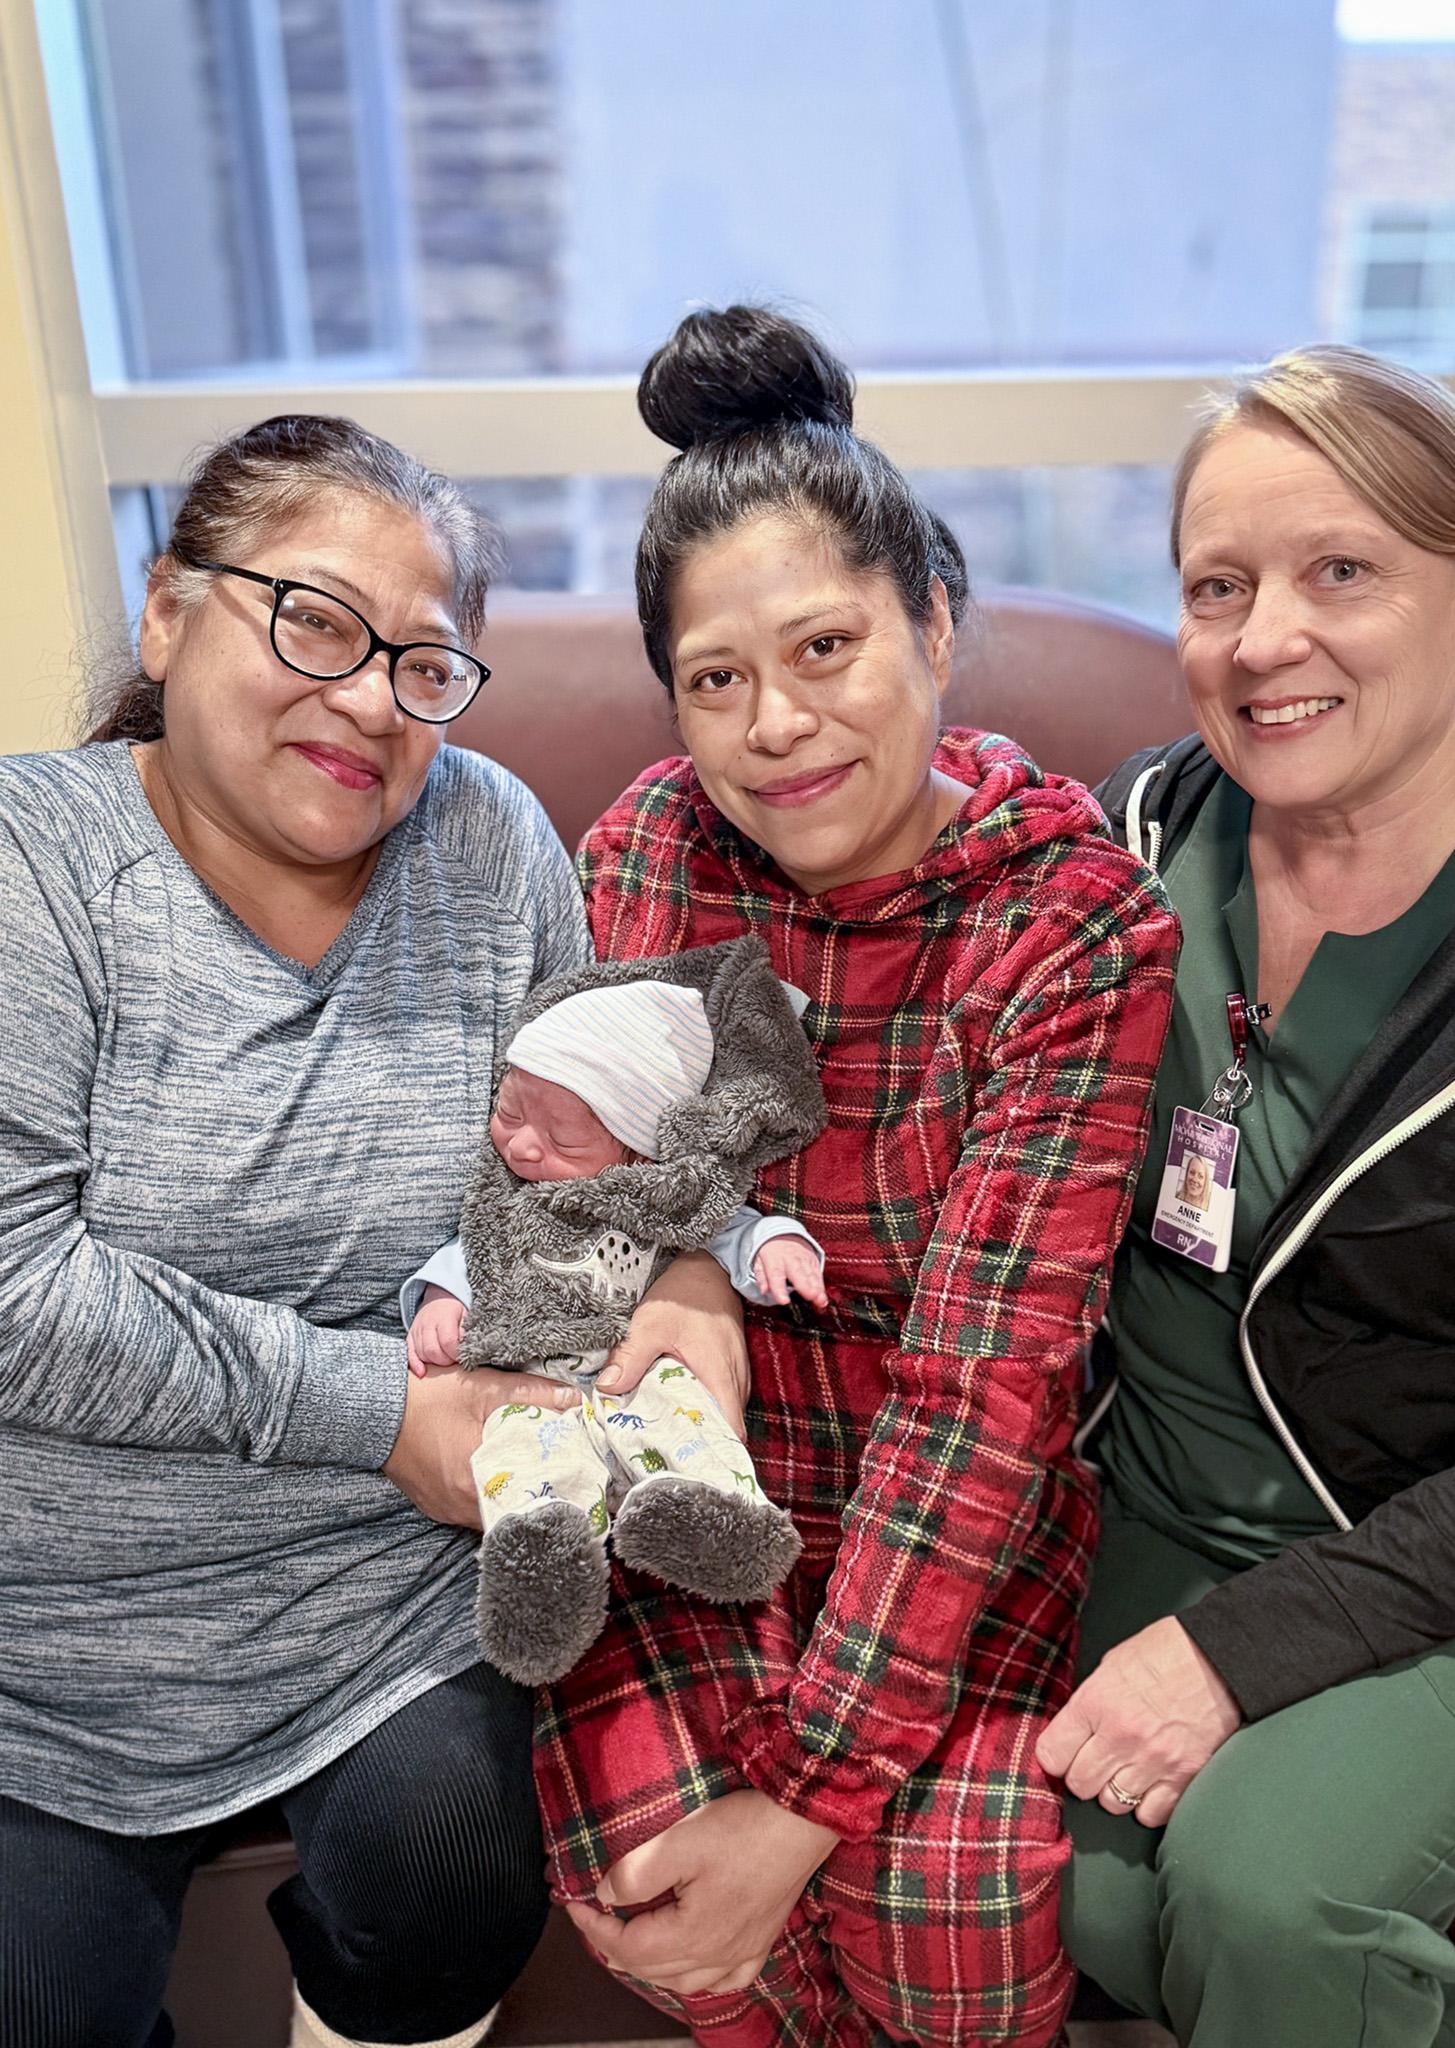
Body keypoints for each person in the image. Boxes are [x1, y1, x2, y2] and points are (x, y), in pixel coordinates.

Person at [0, 414, 741, 2048]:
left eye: (421, 663)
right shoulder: (30, 864)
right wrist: (385, 1412)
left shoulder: (484, 839)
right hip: (48, 1634)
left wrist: (690, 1275)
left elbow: (581, 1167)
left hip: (382, 1591)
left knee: (455, 1866)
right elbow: (15, 1289)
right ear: (169, 612)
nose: (369, 702)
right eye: (317, 626)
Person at [532, 305, 1180, 2047]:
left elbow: (988, 1387)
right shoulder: (648, 852)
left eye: (825, 647)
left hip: (957, 1504)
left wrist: (808, 1797)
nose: (775, 725)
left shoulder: (1070, 924)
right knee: (648, 1855)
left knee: (938, 1901)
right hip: (696, 1480)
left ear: (934, 621)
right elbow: (584, 1199)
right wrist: (684, 1271)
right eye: (715, 679)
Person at [1038, 345, 1455, 2048]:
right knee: (1064, 1886)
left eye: (1338, 569)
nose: (1263, 638)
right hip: (1152, 1494)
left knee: (1266, 1895)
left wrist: (1227, 1655)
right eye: (1217, 586)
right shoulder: (1136, 838)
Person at [401, 951, 829, 1685]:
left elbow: (731, 1229)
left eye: (564, 1139)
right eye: (509, 1113)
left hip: (638, 1370)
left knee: (685, 1414)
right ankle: (543, 1571)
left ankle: (712, 1517)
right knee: (518, 1455)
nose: (522, 1145)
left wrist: (777, 1245)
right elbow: (473, 1253)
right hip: (531, 1384)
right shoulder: (507, 1202)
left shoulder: (659, 1197)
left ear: (636, 1150)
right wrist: (442, 1301)